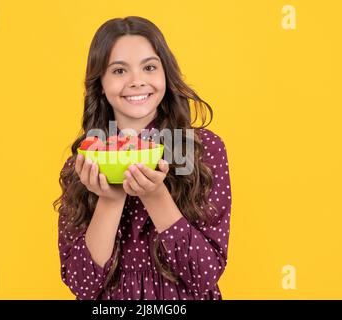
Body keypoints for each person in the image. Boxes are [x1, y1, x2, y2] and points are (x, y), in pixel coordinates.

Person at [53, 16, 232, 300]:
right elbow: (82, 284)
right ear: (100, 83)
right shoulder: (84, 163)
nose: (137, 81)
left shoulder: (202, 150)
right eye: (119, 70)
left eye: (149, 67)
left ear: (165, 74)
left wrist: (155, 194)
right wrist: (109, 200)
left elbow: (205, 275)